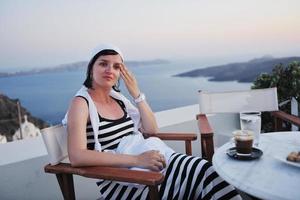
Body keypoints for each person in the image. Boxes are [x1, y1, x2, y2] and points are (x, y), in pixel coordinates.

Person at [64, 44, 241, 199]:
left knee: (204, 170)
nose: (110, 70)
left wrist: (136, 93)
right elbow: (77, 156)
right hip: (121, 181)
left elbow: (151, 129)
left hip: (145, 166)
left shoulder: (119, 100)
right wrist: (137, 160)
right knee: (203, 172)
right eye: (103, 64)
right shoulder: (81, 103)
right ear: (91, 68)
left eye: (117, 67)